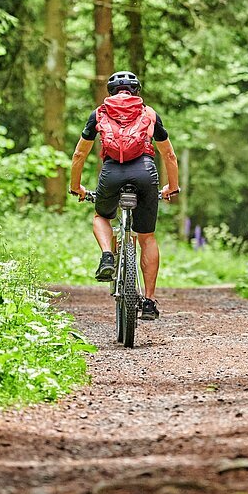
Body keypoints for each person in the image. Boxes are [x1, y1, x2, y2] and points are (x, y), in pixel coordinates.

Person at [69, 71, 180, 321]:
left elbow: (79, 155)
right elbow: (169, 156)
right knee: (147, 236)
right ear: (136, 92)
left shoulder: (99, 114)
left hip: (112, 173)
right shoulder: (149, 114)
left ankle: (108, 255)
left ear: (110, 93)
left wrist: (76, 187)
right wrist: (172, 186)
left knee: (101, 215)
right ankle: (149, 302)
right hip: (145, 173)